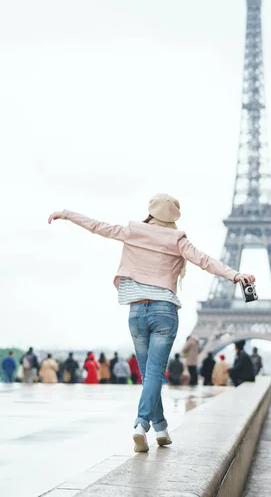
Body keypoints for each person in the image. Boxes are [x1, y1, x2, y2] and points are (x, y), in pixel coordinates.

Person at [48, 193, 255, 453]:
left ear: (152, 211)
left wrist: (66, 213)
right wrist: (236, 276)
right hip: (164, 312)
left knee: (149, 376)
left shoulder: (134, 231)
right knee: (154, 374)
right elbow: (206, 261)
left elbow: (98, 227)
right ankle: (141, 424)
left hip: (136, 311)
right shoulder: (178, 239)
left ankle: (161, 427)